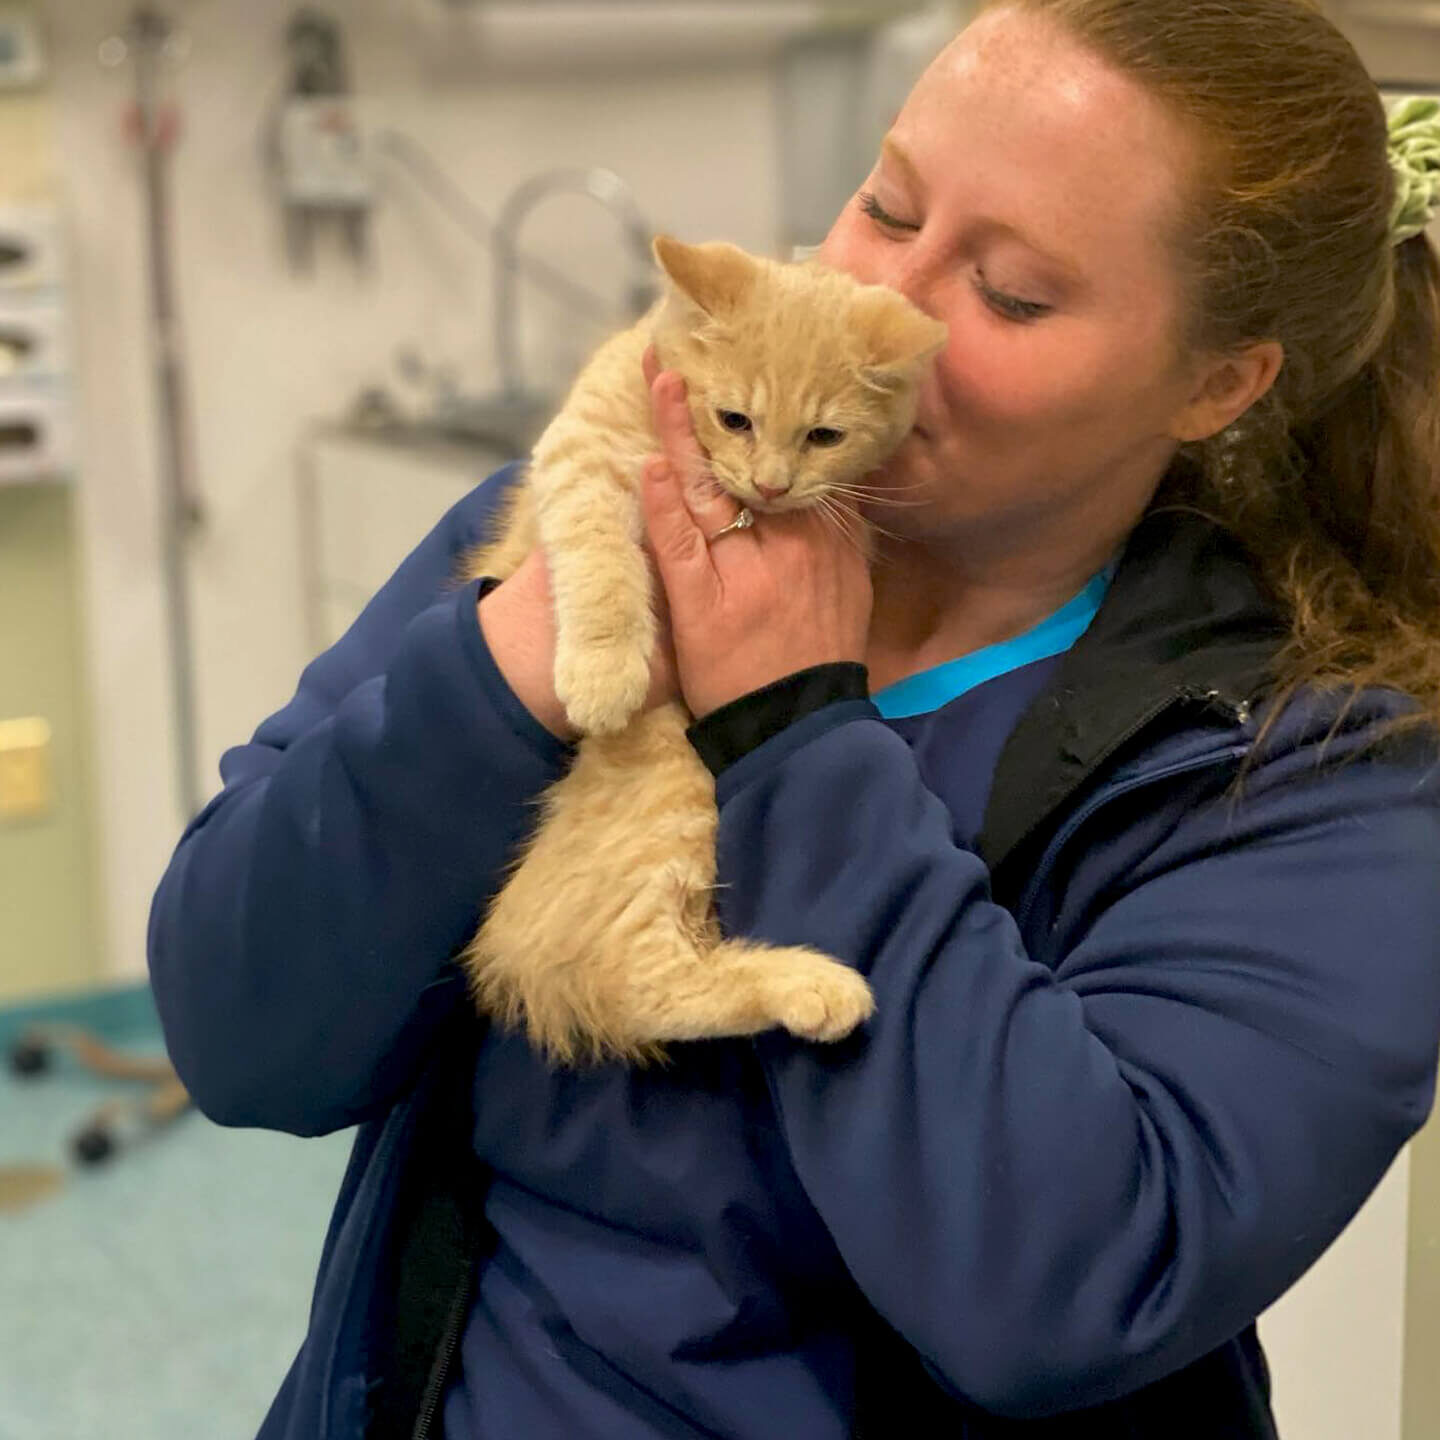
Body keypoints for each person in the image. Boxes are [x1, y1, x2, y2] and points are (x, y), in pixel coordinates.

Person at [148, 1, 1440, 1436]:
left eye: (1011, 294)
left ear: (1218, 383)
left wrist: (796, 734)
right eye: (884, 205)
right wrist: (498, 677)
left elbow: (1067, 1292)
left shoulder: (1306, 770)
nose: (885, 298)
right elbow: (238, 1028)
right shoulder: (583, 537)